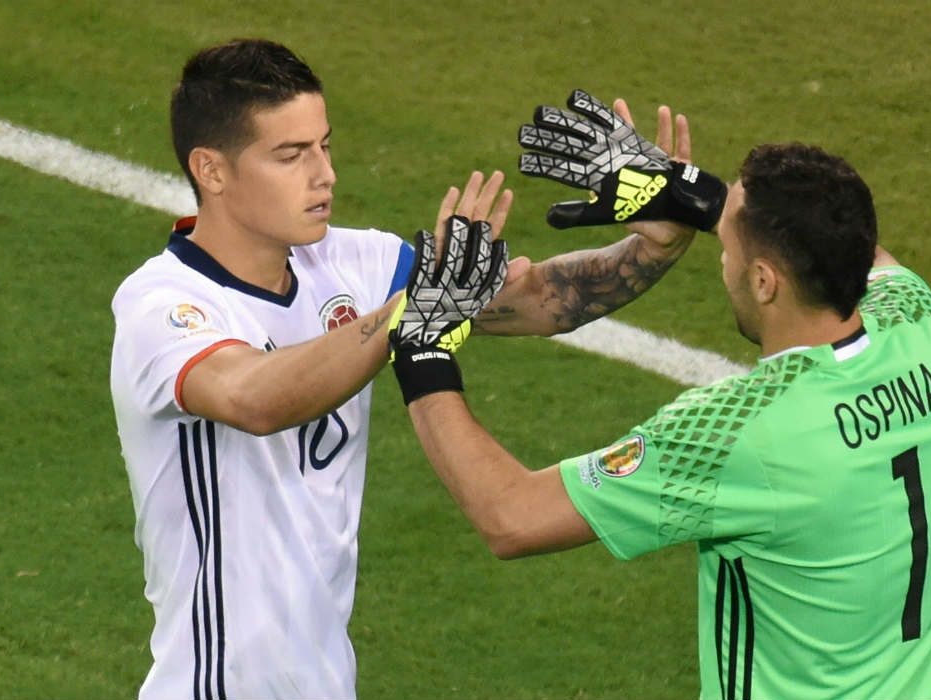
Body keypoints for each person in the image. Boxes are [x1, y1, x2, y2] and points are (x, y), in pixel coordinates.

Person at [108, 42, 699, 699]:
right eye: (291, 155)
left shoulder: (356, 265)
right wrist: (408, 311)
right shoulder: (162, 306)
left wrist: (655, 245)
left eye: (324, 145)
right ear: (211, 171)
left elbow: (537, 301)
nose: (324, 174)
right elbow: (253, 396)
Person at [394, 91, 931, 699]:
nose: (722, 259)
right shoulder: (919, 323)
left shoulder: (739, 431)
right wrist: (693, 192)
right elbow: (860, 247)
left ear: (763, 282)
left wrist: (423, 351)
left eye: (729, 248)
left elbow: (510, 516)